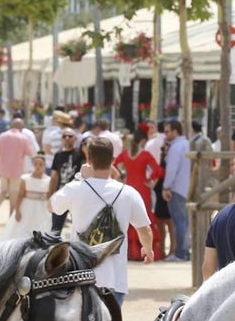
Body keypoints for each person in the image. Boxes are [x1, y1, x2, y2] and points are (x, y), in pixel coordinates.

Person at [49, 138, 154, 304]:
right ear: (113, 161)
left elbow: (51, 206)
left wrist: (79, 178)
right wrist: (148, 250)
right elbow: (145, 229)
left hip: (80, 276)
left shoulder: (76, 188)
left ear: (88, 160)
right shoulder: (129, 193)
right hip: (115, 279)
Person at [116, 129, 164, 260]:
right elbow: (158, 170)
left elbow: (113, 164)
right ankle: (146, 250)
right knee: (143, 219)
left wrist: (120, 177)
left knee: (128, 219)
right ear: (142, 141)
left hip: (128, 187)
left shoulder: (125, 154)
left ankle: (130, 252)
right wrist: (151, 182)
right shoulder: (145, 154)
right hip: (143, 189)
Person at [0, 118, 37, 224]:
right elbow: (30, 153)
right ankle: (11, 215)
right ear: (21, 127)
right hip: (17, 169)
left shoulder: (2, 136)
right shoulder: (23, 138)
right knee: (14, 192)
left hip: (3, 168)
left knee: (3, 191)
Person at [161, 120, 192, 262]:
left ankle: (181, 253)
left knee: (179, 222)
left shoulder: (175, 147)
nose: (165, 134)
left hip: (176, 188)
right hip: (186, 187)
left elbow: (171, 170)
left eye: (167, 131)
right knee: (184, 222)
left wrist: (166, 186)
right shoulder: (186, 144)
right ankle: (184, 251)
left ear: (175, 131)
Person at [5, 154, 53, 239]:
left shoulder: (48, 180)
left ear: (45, 165)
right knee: (24, 227)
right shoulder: (26, 178)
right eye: (36, 164)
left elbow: (49, 196)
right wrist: (17, 211)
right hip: (27, 207)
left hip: (42, 208)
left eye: (41, 164)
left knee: (43, 227)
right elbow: (20, 195)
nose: (38, 166)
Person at [49, 126, 85, 234]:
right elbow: (54, 176)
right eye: (64, 136)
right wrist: (50, 194)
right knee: (55, 229)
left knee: (80, 228)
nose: (67, 138)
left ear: (75, 138)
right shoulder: (58, 155)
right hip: (61, 194)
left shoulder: (81, 154)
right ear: (61, 139)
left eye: (70, 136)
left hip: (77, 195)